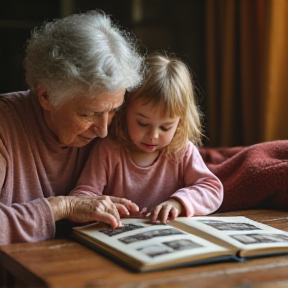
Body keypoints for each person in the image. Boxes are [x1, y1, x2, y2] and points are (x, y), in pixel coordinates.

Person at [0, 10, 144, 244]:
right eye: (89, 114)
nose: (104, 130)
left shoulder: (120, 127)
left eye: (114, 110)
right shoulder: (4, 127)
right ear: (46, 95)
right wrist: (63, 206)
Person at [70, 52, 223, 223]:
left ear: (180, 123)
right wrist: (96, 207)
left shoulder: (182, 151)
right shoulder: (109, 150)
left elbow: (213, 189)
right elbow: (81, 195)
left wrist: (179, 202)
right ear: (124, 110)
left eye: (165, 127)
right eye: (142, 123)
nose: (153, 135)